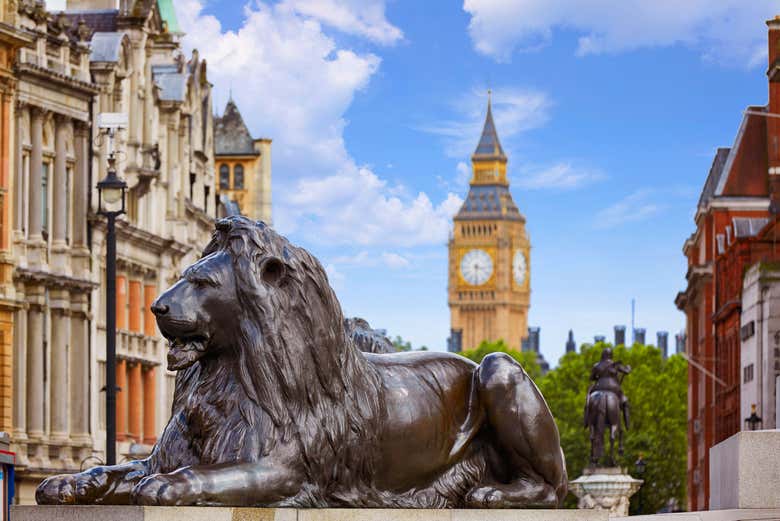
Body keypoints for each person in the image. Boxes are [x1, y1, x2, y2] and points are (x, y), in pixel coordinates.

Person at [584, 348, 631, 429]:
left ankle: (586, 420)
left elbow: (591, 378)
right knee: (625, 402)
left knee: (588, 400)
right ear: (611, 355)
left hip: (599, 387)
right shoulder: (615, 365)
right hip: (613, 388)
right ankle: (627, 424)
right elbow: (626, 371)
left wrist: (598, 377)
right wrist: (628, 368)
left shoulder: (596, 365)